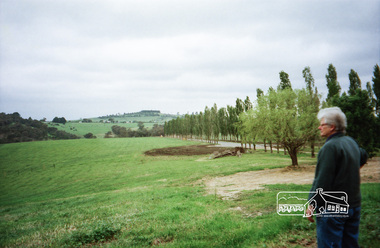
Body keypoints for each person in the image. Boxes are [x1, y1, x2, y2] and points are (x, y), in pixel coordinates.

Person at [306, 107, 368, 248]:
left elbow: (322, 181)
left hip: (333, 209)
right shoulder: (350, 142)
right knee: (350, 244)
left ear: (332, 127)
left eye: (322, 125)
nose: (319, 127)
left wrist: (312, 204)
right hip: (353, 205)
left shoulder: (330, 147)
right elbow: (363, 154)